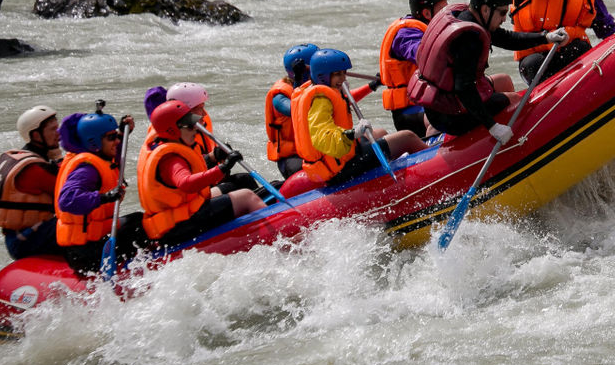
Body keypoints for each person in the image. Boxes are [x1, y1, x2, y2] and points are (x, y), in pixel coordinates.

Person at [407, 0, 567, 141]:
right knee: (515, 101)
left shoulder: (466, 17)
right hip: (450, 115)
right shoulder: (469, 38)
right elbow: (464, 88)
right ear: (485, 10)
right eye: (502, 13)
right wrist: (492, 126)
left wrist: (545, 37)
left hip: (442, 103)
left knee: (503, 80)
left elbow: (507, 39)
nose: (505, 19)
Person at [137, 99, 266, 249]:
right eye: (191, 126)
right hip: (178, 225)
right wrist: (223, 168)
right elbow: (185, 183)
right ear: (173, 131)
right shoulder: (171, 159)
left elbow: (194, 174)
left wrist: (216, 157)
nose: (196, 130)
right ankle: (277, 236)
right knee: (246, 196)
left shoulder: (170, 146)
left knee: (239, 184)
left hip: (183, 213)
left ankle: (253, 223)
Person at [292, 48, 427, 185]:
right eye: (338, 74)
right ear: (323, 76)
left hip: (338, 158)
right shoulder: (320, 101)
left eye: (344, 73)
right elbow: (322, 137)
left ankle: (394, 178)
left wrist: (371, 86)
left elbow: (344, 101)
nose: (343, 78)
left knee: (381, 132)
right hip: (339, 167)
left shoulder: (318, 90)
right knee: (407, 137)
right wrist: (352, 134)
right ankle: (434, 169)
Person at [55, 106, 149, 275]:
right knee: (139, 228)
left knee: (137, 219)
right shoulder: (86, 169)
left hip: (90, 241)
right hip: (85, 252)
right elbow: (67, 200)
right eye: (112, 137)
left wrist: (122, 131)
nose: (117, 141)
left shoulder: (97, 156)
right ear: (94, 143)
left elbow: (111, 159)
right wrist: (105, 197)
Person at [0, 106, 65, 260]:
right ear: (36, 135)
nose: (59, 133)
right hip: (26, 241)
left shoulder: (23, 158)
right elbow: (69, 191)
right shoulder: (33, 169)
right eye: (53, 129)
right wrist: (59, 156)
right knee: (86, 226)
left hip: (25, 236)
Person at [378, 0, 450, 137]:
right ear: (426, 13)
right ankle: (435, 152)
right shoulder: (406, 33)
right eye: (443, 9)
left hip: (429, 101)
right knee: (438, 120)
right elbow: (419, 53)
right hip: (408, 112)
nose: (448, 14)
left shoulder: (430, 28)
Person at [266, 43, 318, 178]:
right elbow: (297, 110)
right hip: (292, 157)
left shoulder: (318, 86)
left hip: (318, 148)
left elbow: (342, 100)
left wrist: (371, 86)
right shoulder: (279, 96)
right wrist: (299, 80)